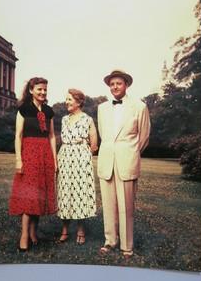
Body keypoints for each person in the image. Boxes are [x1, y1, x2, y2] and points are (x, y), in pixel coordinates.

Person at [97, 70, 150, 259]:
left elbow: (143, 138)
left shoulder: (139, 107)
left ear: (126, 84)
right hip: (107, 162)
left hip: (127, 161)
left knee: (126, 207)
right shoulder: (102, 108)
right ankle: (110, 241)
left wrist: (130, 153)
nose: (115, 87)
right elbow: (104, 135)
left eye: (118, 83)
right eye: (112, 84)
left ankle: (127, 246)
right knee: (109, 205)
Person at [9, 77, 58, 251]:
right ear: (31, 90)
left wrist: (55, 158)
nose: (43, 92)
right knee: (29, 195)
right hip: (29, 154)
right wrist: (18, 160)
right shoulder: (23, 109)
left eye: (45, 89)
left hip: (45, 154)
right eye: (39, 89)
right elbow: (18, 135)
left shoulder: (49, 110)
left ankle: (33, 232)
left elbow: (52, 136)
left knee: (39, 195)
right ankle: (24, 235)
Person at [57, 89, 98, 245]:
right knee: (65, 191)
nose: (66, 102)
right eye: (66, 99)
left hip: (81, 157)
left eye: (69, 99)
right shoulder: (64, 119)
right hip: (65, 156)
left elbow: (94, 143)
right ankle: (65, 229)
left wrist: (84, 153)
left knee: (80, 191)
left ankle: (81, 230)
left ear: (79, 102)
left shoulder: (87, 119)